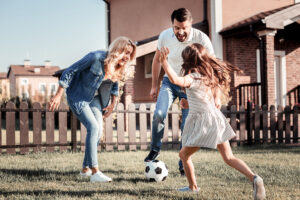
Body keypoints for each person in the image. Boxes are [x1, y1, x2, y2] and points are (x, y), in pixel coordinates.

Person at [159, 43, 266, 200]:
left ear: (187, 61)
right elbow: (202, 98)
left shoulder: (192, 78)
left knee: (184, 155)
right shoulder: (207, 78)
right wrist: (189, 102)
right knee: (229, 158)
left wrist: (164, 62)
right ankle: (255, 178)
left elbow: (175, 79)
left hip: (205, 123)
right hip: (215, 119)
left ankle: (193, 188)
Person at [48, 37, 136, 182]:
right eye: (125, 52)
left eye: (129, 54)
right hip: (78, 96)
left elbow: (115, 84)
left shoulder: (118, 66)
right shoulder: (95, 57)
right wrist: (58, 94)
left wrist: (112, 104)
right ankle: (95, 172)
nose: (127, 57)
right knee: (93, 128)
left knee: (98, 131)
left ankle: (85, 169)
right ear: (116, 50)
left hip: (95, 99)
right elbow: (70, 71)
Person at [144, 8, 214, 176]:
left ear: (191, 25)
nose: (180, 32)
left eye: (184, 28)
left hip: (190, 84)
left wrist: (212, 93)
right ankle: (154, 151)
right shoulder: (165, 36)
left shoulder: (201, 39)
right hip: (169, 81)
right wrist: (154, 85)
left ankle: (183, 162)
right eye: (177, 28)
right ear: (172, 25)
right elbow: (156, 61)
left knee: (187, 125)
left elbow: (211, 66)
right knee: (159, 114)